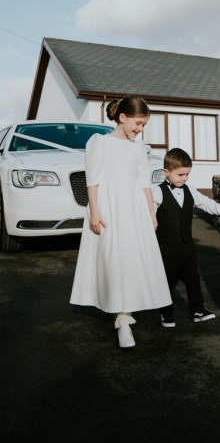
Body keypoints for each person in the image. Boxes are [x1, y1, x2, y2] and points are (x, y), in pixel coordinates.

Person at [70, 96, 172, 348]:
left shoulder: (138, 147)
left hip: (134, 207)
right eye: (138, 123)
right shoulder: (99, 142)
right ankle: (121, 318)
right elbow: (92, 179)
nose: (140, 128)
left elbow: (144, 182)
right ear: (122, 117)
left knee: (131, 258)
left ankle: (126, 310)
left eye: (143, 125)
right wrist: (94, 211)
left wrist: (151, 212)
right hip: (108, 206)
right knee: (114, 258)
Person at [152, 147, 220, 327]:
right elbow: (147, 214)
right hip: (165, 248)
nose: (185, 178)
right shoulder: (156, 192)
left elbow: (208, 204)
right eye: (181, 174)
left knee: (193, 279)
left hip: (187, 247)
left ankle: (198, 310)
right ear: (166, 172)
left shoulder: (190, 190)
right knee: (167, 281)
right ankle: (166, 313)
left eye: (187, 174)